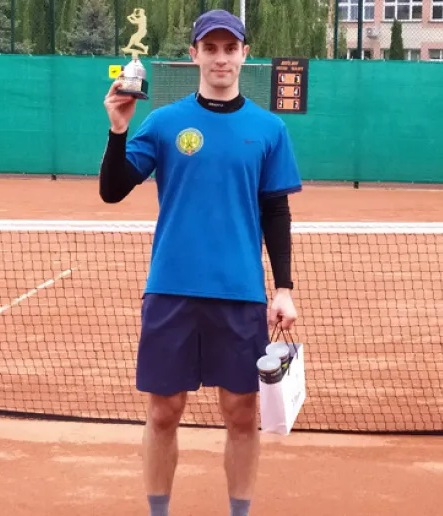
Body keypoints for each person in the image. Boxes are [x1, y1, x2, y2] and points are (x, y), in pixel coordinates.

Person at [99, 9, 302, 516]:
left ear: (244, 55)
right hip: (171, 288)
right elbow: (113, 190)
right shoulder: (164, 122)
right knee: (163, 412)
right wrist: (118, 130)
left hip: (240, 291)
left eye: (229, 48)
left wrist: (283, 288)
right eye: (210, 48)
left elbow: (276, 210)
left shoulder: (269, 128)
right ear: (194, 55)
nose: (220, 58)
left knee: (242, 413)